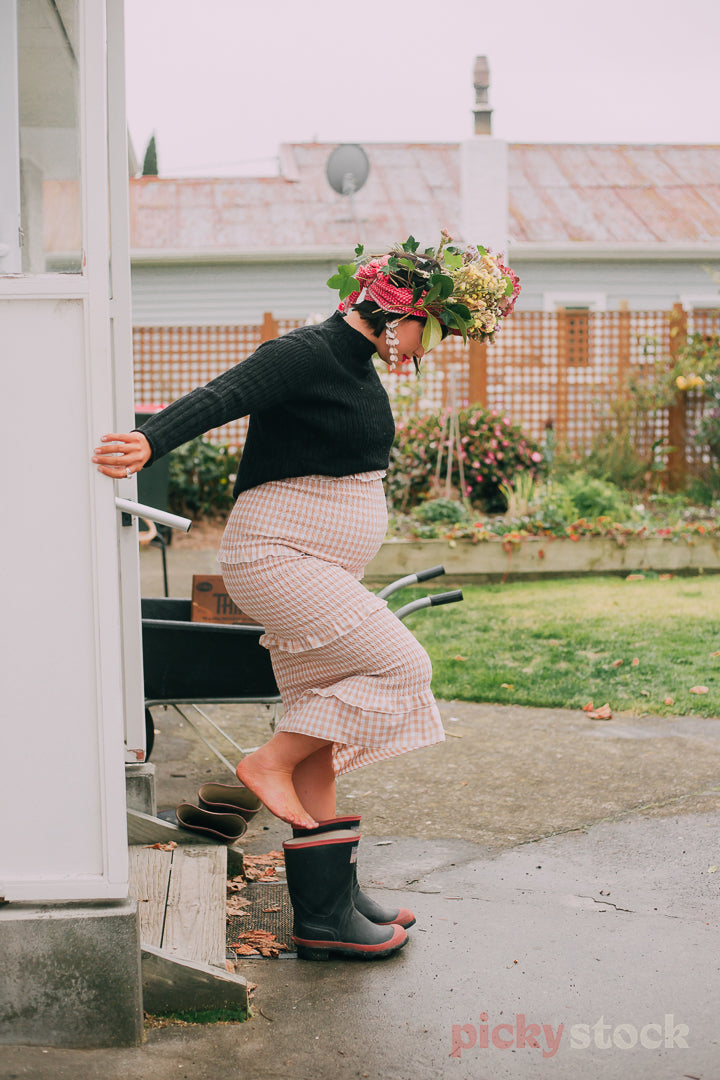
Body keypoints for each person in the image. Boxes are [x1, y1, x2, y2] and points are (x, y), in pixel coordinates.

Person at [94, 238, 518, 959]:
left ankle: (330, 909)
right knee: (402, 668)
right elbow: (224, 394)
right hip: (277, 557)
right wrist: (147, 442)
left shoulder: (356, 364)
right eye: (435, 330)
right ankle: (265, 764)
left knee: (321, 729)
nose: (431, 347)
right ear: (400, 309)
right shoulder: (310, 351)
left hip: (315, 561)